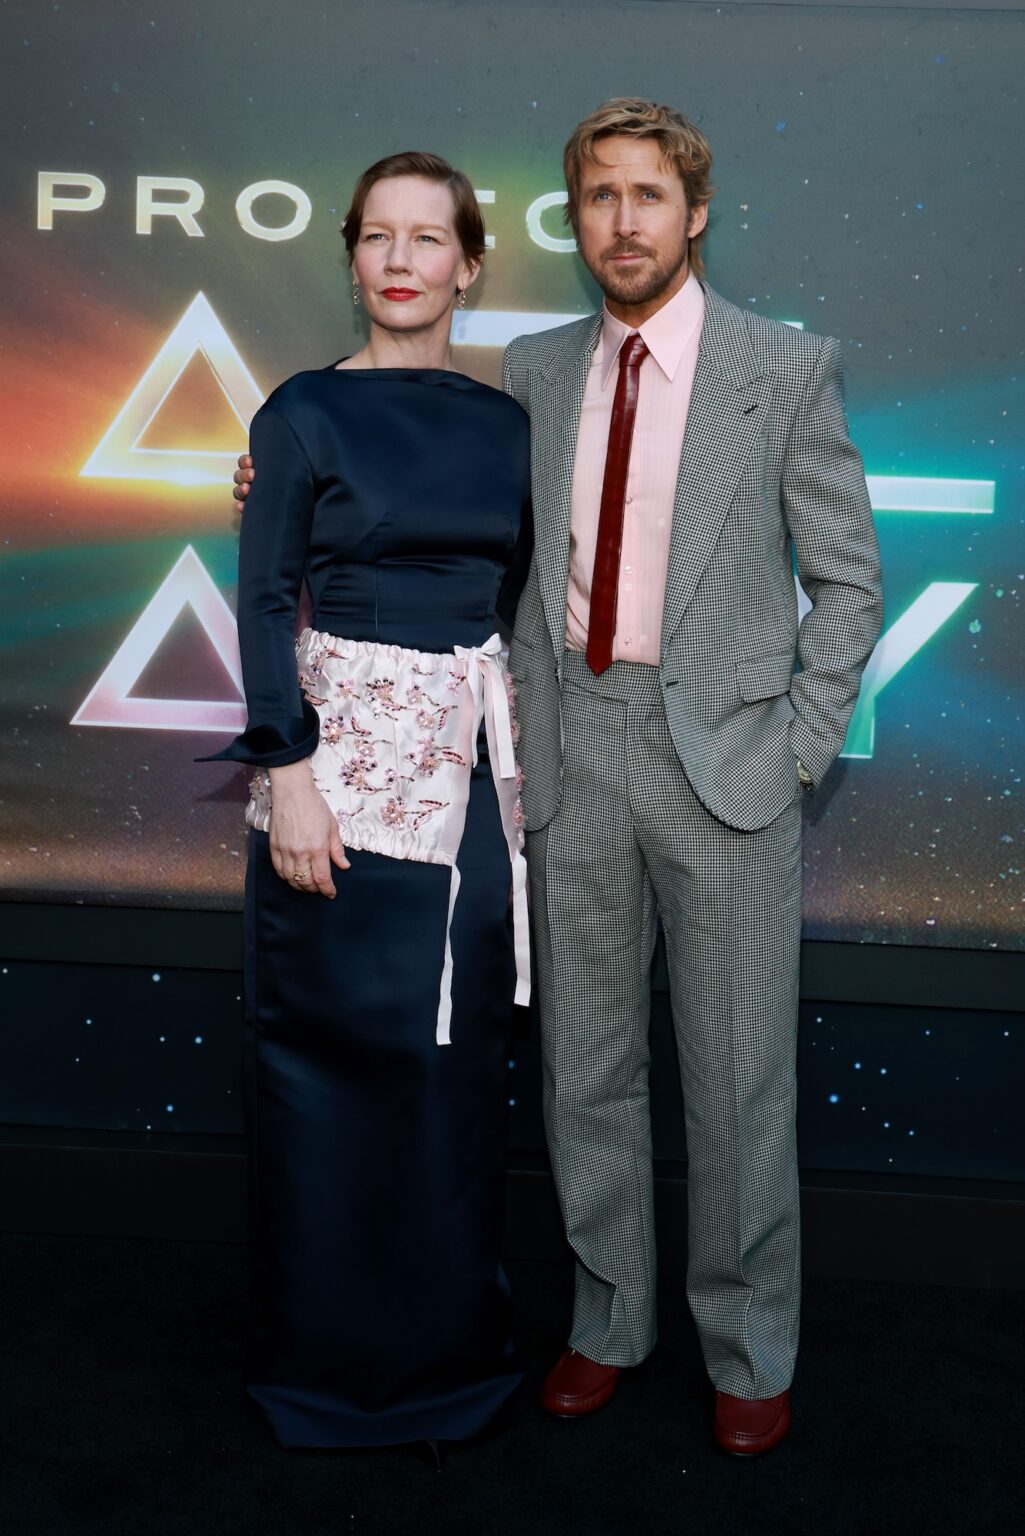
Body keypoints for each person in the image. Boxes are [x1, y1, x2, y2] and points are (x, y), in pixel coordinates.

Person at [235, 99, 884, 1457]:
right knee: (584, 1073)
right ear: (572, 219)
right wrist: (274, 479)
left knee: (735, 1080)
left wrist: (799, 747)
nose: (623, 222)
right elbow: (406, 473)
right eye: (599, 198)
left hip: (728, 771)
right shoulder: (528, 371)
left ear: (693, 213)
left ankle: (745, 1345)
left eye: (648, 197)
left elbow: (846, 582)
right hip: (565, 756)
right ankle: (605, 1323)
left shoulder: (784, 366)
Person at [209, 150, 532, 1452]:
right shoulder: (298, 414)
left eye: (428, 237)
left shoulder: (511, 426)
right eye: (377, 236)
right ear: (352, 257)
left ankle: (450, 1355)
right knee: (327, 1072)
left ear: (467, 263)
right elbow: (260, 598)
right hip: (330, 795)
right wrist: (285, 777)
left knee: (449, 1076)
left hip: (466, 805)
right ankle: (329, 1370)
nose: (401, 258)